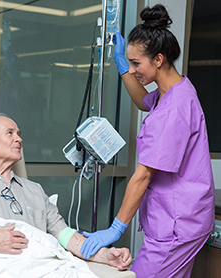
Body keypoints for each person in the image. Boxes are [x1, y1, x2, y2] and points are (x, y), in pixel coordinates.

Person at [80, 4, 215, 278]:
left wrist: (116, 228)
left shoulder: (173, 110)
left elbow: (143, 176)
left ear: (158, 59)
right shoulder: (175, 90)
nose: (133, 69)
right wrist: (122, 67)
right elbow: (143, 100)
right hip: (182, 217)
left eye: (136, 63)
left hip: (179, 222)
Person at [0, 113, 132, 272]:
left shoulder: (34, 191)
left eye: (19, 134)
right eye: (10, 133)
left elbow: (66, 236)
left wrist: (106, 256)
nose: (19, 139)